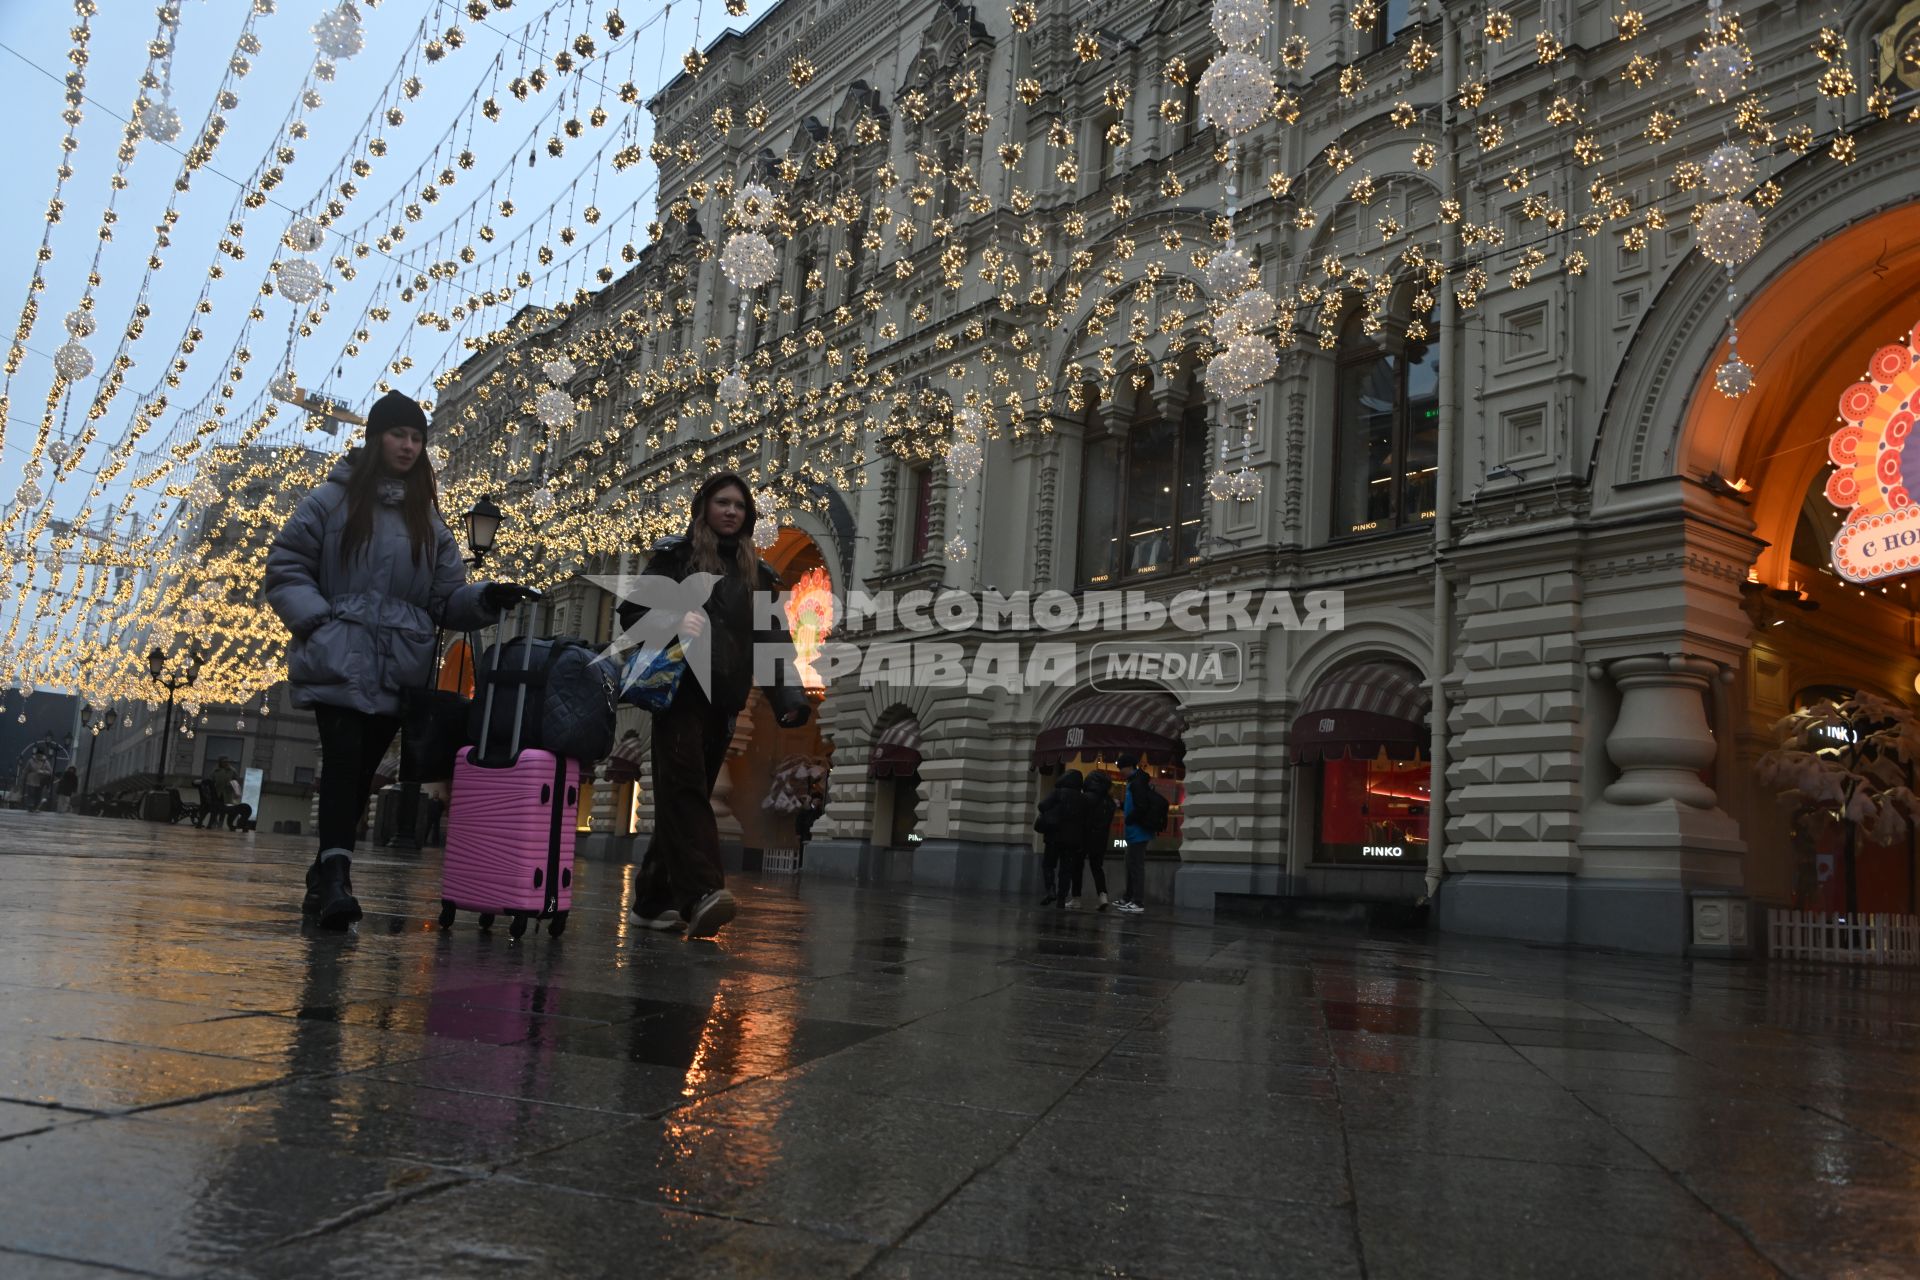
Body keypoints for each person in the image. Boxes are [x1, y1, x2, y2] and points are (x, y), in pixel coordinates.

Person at [264, 390, 537, 930]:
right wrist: (320, 622)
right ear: (375, 438)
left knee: (363, 770)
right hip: (339, 656)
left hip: (400, 665)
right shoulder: (330, 502)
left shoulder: (428, 522)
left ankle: (324, 874)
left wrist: (484, 598)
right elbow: (287, 565)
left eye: (417, 438)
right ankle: (339, 879)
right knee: (343, 762)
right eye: (398, 434)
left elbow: (445, 597)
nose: (409, 446)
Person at [618, 473, 810, 938]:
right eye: (722, 503)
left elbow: (772, 640)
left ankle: (650, 899)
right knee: (683, 790)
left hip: (725, 699)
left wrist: (790, 695)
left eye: (739, 506)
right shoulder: (676, 558)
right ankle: (704, 892)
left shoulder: (758, 574)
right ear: (703, 507)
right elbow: (632, 611)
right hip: (679, 693)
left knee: (690, 796)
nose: (731, 512)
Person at [1033, 769, 1086, 908]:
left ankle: (1051, 890)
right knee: (1066, 870)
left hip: (1054, 837)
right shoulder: (1082, 798)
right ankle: (1062, 899)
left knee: (1048, 865)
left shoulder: (1058, 793)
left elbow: (1042, 805)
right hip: (1072, 840)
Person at [1114, 753, 1154, 915]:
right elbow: (1136, 806)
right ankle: (1128, 898)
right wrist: (1122, 805)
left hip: (1138, 832)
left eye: (1121, 768)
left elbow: (1141, 807)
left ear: (1129, 766)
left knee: (1136, 866)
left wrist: (1129, 818)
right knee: (1130, 865)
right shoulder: (1135, 781)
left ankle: (1137, 901)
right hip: (1134, 831)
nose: (1121, 772)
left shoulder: (1137, 783)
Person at [1076, 770, 1116, 910]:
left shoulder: (1085, 798)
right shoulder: (1110, 802)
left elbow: (1079, 819)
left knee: (1077, 867)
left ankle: (1076, 898)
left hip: (1084, 837)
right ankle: (1102, 896)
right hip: (1101, 838)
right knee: (1097, 868)